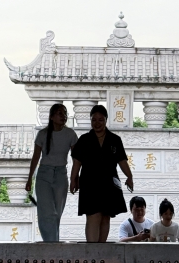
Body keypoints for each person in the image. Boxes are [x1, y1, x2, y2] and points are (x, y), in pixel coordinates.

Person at [70, 104, 134, 242]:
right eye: (94, 120)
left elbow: (122, 161)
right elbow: (77, 162)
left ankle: (101, 250)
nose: (97, 123)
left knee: (105, 216)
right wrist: (73, 179)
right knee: (93, 215)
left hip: (109, 184)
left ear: (106, 120)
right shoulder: (84, 139)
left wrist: (129, 176)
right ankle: (92, 250)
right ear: (90, 120)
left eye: (100, 120)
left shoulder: (115, 139)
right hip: (89, 183)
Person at [25, 103, 77, 242]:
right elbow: (36, 157)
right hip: (44, 174)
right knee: (46, 212)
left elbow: (76, 158)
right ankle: (51, 244)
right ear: (52, 117)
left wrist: (75, 178)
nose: (63, 116)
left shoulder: (70, 134)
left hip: (61, 174)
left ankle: (52, 243)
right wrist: (30, 179)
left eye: (65, 113)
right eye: (60, 113)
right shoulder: (42, 134)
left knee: (56, 213)